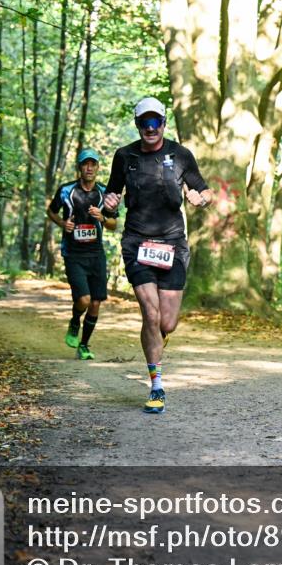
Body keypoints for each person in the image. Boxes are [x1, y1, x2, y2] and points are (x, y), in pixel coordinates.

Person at [102, 97, 213, 413]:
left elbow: (205, 190)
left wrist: (200, 199)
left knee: (167, 323)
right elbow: (112, 193)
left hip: (173, 244)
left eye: (155, 122)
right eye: (144, 123)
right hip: (137, 243)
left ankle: (156, 341)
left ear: (164, 123)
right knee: (150, 315)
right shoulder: (125, 156)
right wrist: (110, 203)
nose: (150, 128)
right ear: (137, 125)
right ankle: (156, 387)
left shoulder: (180, 155)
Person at [46, 148, 118, 360]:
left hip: (96, 254)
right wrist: (63, 223)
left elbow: (114, 224)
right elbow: (51, 211)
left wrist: (102, 218)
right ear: (79, 167)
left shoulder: (105, 193)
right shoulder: (66, 190)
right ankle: (75, 321)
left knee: (95, 303)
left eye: (93, 164)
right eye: (85, 164)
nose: (89, 168)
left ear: (97, 167)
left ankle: (84, 345)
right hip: (73, 253)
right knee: (84, 300)